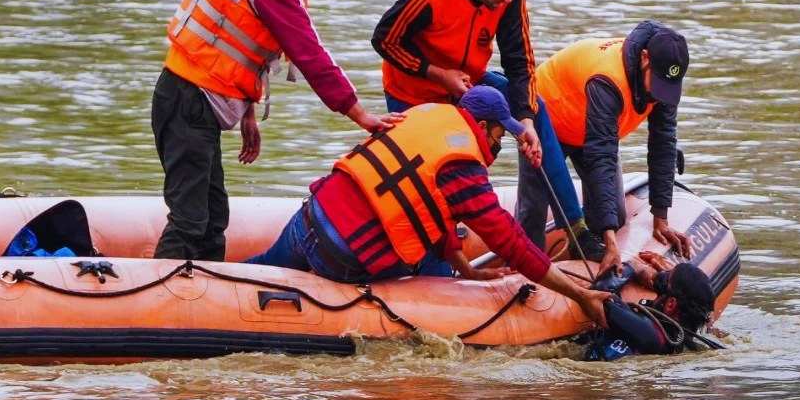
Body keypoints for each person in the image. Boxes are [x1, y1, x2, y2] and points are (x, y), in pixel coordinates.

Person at [153, 0, 402, 261]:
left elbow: (236, 39)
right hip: (188, 101)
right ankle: (160, 305)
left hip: (197, 98)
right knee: (190, 222)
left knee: (212, 221)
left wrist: (247, 111)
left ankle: (201, 304)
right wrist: (359, 114)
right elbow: (309, 52)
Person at [246, 86, 612, 328]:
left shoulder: (425, 115)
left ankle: (193, 278)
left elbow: (425, 203)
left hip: (309, 220)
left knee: (252, 273)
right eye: (499, 135)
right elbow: (509, 242)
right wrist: (579, 294)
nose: (498, 146)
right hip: (344, 257)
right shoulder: (463, 165)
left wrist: (466, 269)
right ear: (481, 126)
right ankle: (437, 304)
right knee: (421, 254)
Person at [370, 0, 605, 261]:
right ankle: (432, 251)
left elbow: (519, 61)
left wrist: (524, 121)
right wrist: (438, 74)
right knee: (430, 171)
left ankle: (577, 228)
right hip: (413, 88)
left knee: (535, 109)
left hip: (468, 81)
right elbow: (384, 40)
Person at [519, 20, 695, 277]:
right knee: (534, 207)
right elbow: (600, 154)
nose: (660, 95)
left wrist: (661, 218)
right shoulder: (608, 80)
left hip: (590, 124)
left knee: (617, 216)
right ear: (645, 58)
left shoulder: (664, 82)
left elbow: (663, 144)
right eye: (657, 84)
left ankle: (581, 262)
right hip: (548, 116)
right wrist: (610, 242)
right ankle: (526, 273)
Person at [583, 252, 717, 361]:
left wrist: (633, 267)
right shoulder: (680, 341)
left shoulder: (650, 334)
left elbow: (600, 293)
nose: (658, 279)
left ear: (671, 304)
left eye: (665, 281)